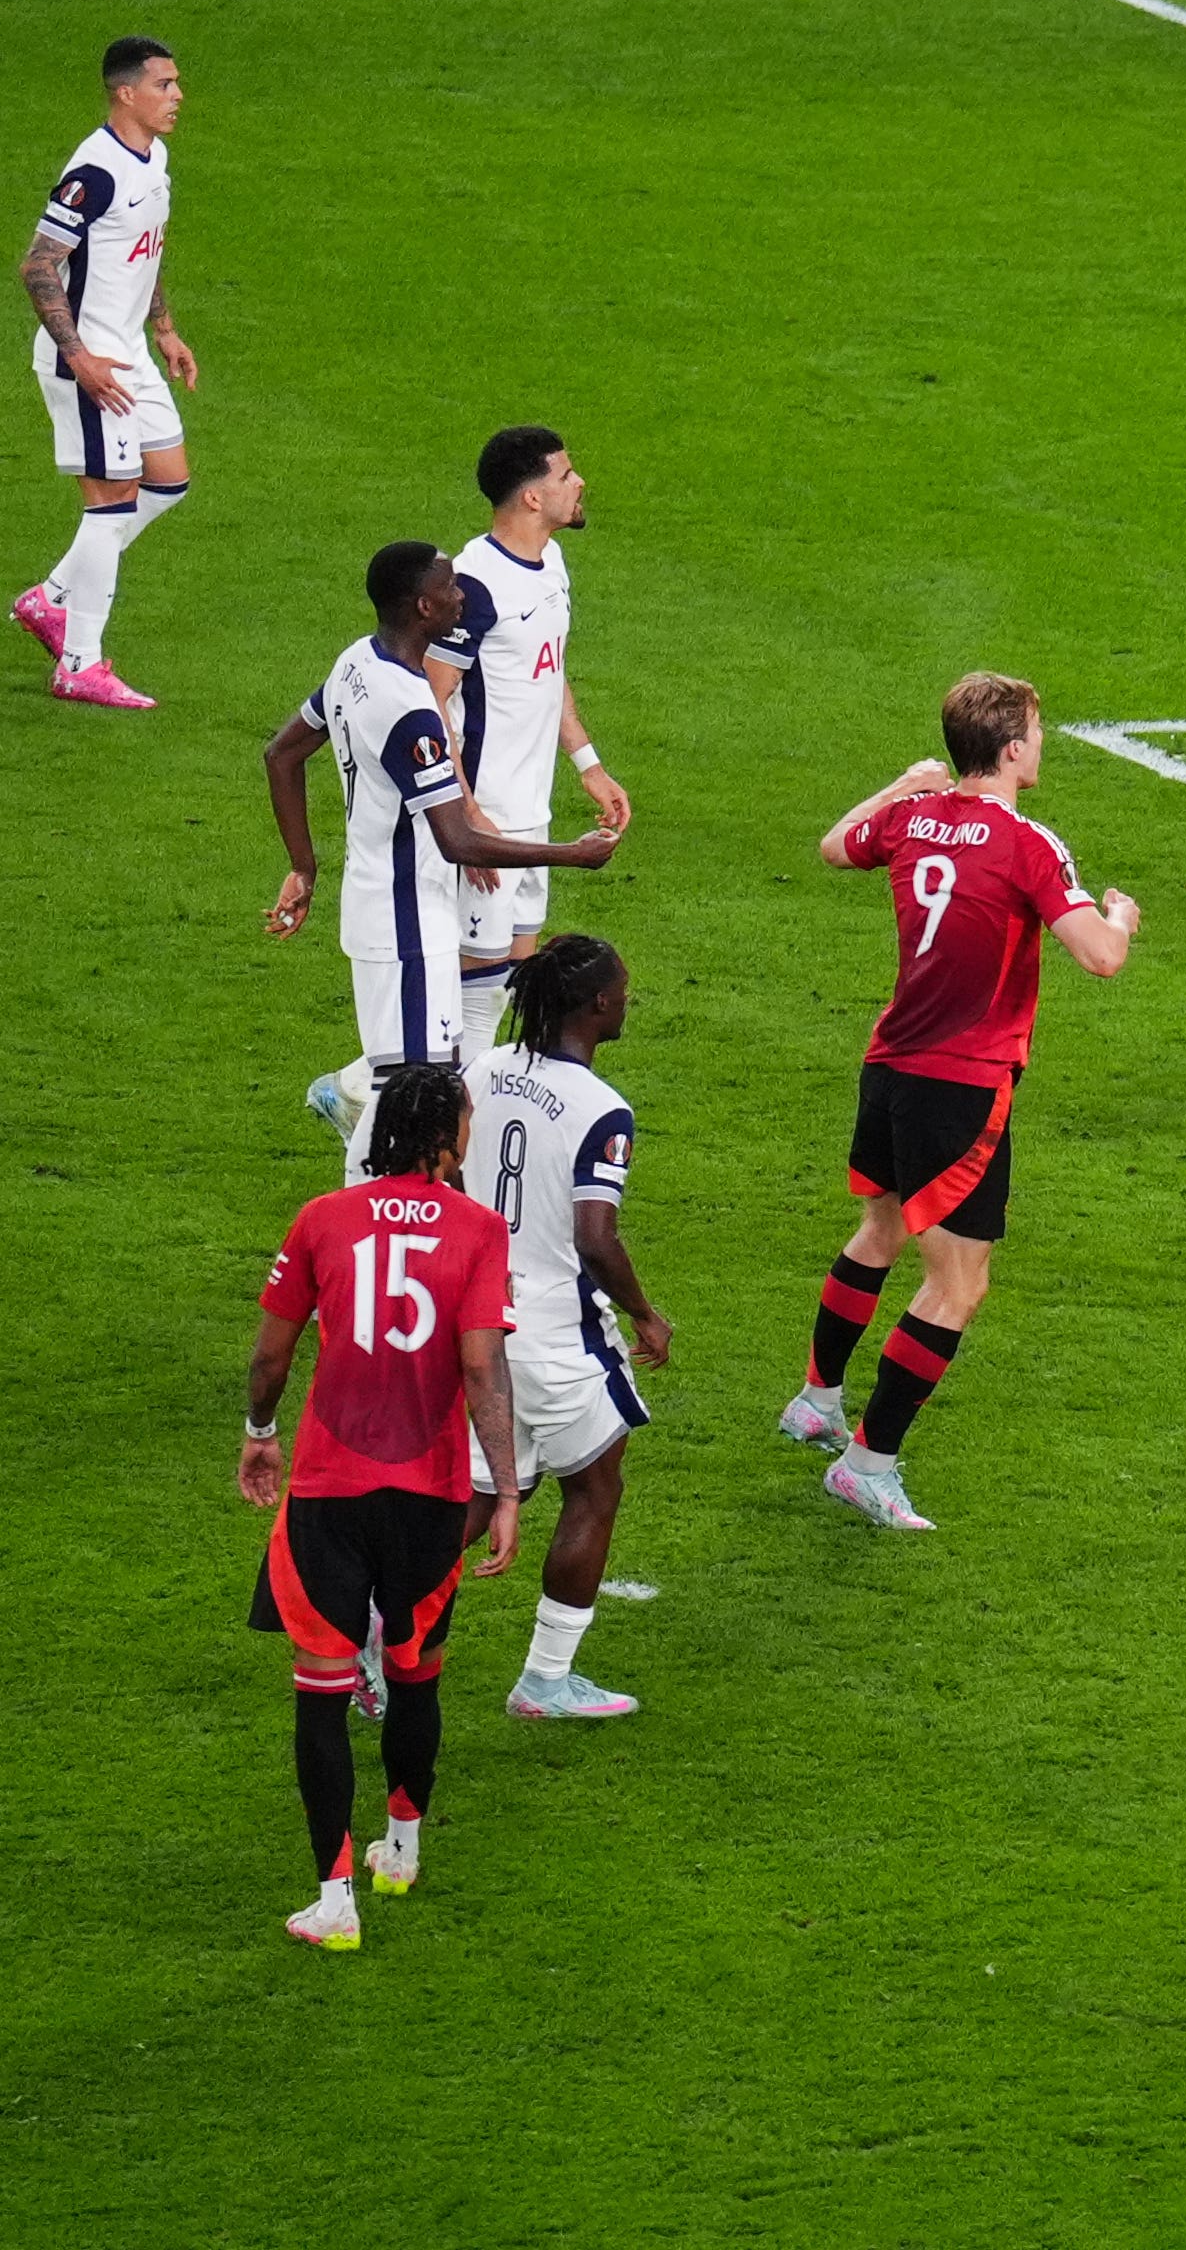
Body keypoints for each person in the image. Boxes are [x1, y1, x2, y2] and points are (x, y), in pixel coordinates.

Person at [783, 674, 1140, 1529]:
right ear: (1012, 750)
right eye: (1038, 733)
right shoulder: (1028, 843)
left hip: (890, 1064)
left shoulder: (911, 818)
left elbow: (834, 846)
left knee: (879, 1229)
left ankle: (816, 1401)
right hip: (961, 1084)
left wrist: (901, 785)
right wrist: (1121, 917)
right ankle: (867, 1465)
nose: (1042, 745)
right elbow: (1099, 957)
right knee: (958, 1284)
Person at [241, 1058, 519, 1956]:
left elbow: (272, 1357)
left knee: (321, 1695)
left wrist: (259, 1431)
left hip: (330, 1488)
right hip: (430, 1492)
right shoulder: (480, 1229)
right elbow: (482, 1367)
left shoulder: (322, 1218)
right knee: (415, 1672)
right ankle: (401, 1850)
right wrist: (506, 1489)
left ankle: (335, 1902)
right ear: (445, 1135)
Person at [269, 542, 621, 1167]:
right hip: (407, 924)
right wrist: (572, 853)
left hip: (381, 906)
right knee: (410, 1101)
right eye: (450, 587)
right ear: (424, 608)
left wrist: (304, 866)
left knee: (407, 1092)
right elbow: (455, 839)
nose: (462, 596)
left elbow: (283, 754)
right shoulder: (411, 709)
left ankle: (368, 1203)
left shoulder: (356, 662)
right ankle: (361, 1210)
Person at [469, 935, 659, 1722]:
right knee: (594, 1488)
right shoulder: (600, 1108)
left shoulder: (481, 1070)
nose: (627, 1001)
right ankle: (546, 1680)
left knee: (482, 1492)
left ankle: (373, 1632)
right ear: (597, 1005)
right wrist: (644, 1314)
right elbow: (594, 1238)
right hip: (554, 1332)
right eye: (622, 991)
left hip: (476, 1323)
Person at [422, 425, 627, 1063]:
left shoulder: (550, 563)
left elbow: (549, 669)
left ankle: (449, 1108)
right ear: (533, 497)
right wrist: (467, 815)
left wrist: (588, 764)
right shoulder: (474, 587)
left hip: (530, 815)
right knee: (473, 997)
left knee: (509, 984)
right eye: (565, 474)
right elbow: (430, 701)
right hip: (486, 817)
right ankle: (371, 1094)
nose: (579, 482)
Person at [17, 35, 193, 711]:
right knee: (112, 500)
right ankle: (79, 665)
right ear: (126, 93)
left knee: (167, 481)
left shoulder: (154, 157)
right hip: (90, 360)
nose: (177, 96)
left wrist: (164, 327)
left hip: (130, 352)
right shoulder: (95, 173)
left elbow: (143, 252)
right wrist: (79, 357)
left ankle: (53, 596)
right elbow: (38, 263)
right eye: (164, 85)